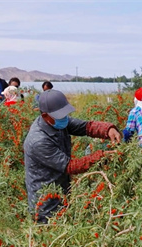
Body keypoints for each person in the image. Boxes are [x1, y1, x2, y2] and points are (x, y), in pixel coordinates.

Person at [23, 89, 122, 223]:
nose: (65, 118)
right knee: (49, 235)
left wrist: (108, 129)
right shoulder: (38, 141)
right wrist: (101, 156)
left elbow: (86, 127)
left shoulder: (56, 121)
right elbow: (70, 166)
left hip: (62, 193)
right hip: (45, 205)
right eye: (61, 115)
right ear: (46, 116)